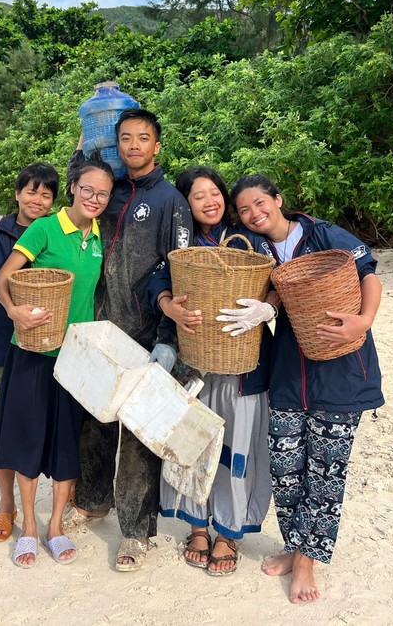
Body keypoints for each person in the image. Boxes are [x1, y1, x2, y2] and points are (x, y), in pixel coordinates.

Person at [225, 174, 384, 604]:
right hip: (287, 373)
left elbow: (368, 273)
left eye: (260, 203)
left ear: (278, 200)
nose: (254, 214)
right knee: (286, 468)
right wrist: (267, 306)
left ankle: (308, 561)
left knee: (325, 472)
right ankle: (294, 547)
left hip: (340, 371)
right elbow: (267, 291)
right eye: (244, 210)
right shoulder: (256, 248)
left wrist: (363, 320)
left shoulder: (323, 234)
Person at [65, 108, 192, 571]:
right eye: (125, 137)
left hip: (147, 330)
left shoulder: (171, 200)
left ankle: (136, 532)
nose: (133, 145)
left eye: (143, 137)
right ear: (115, 144)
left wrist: (168, 337)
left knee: (139, 435)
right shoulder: (111, 191)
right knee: (95, 421)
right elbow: (76, 188)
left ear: (157, 145)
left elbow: (180, 268)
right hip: (103, 324)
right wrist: (81, 147)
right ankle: (93, 501)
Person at [147, 166, 275, 576]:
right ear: (186, 203)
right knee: (194, 443)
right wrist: (168, 306)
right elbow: (156, 281)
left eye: (215, 192)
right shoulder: (181, 244)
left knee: (237, 446)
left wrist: (267, 307)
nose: (209, 201)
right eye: (198, 195)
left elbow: (279, 280)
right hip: (195, 363)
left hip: (244, 367)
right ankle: (198, 527)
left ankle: (229, 531)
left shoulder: (249, 240)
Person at [0, 156, 114, 568]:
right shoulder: (44, 228)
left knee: (65, 445)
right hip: (32, 352)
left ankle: (55, 526)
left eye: (103, 194)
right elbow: (3, 278)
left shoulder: (100, 235)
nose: (94, 198)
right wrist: (14, 311)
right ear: (73, 188)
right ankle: (28, 527)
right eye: (88, 189)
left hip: (74, 359)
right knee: (28, 440)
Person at [0, 165, 59, 543]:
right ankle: (7, 505)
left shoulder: (56, 234)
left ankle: (60, 503)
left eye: (46, 195)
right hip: (1, 342)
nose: (37, 200)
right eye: (31, 191)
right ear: (17, 193)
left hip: (46, 345)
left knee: (45, 422)